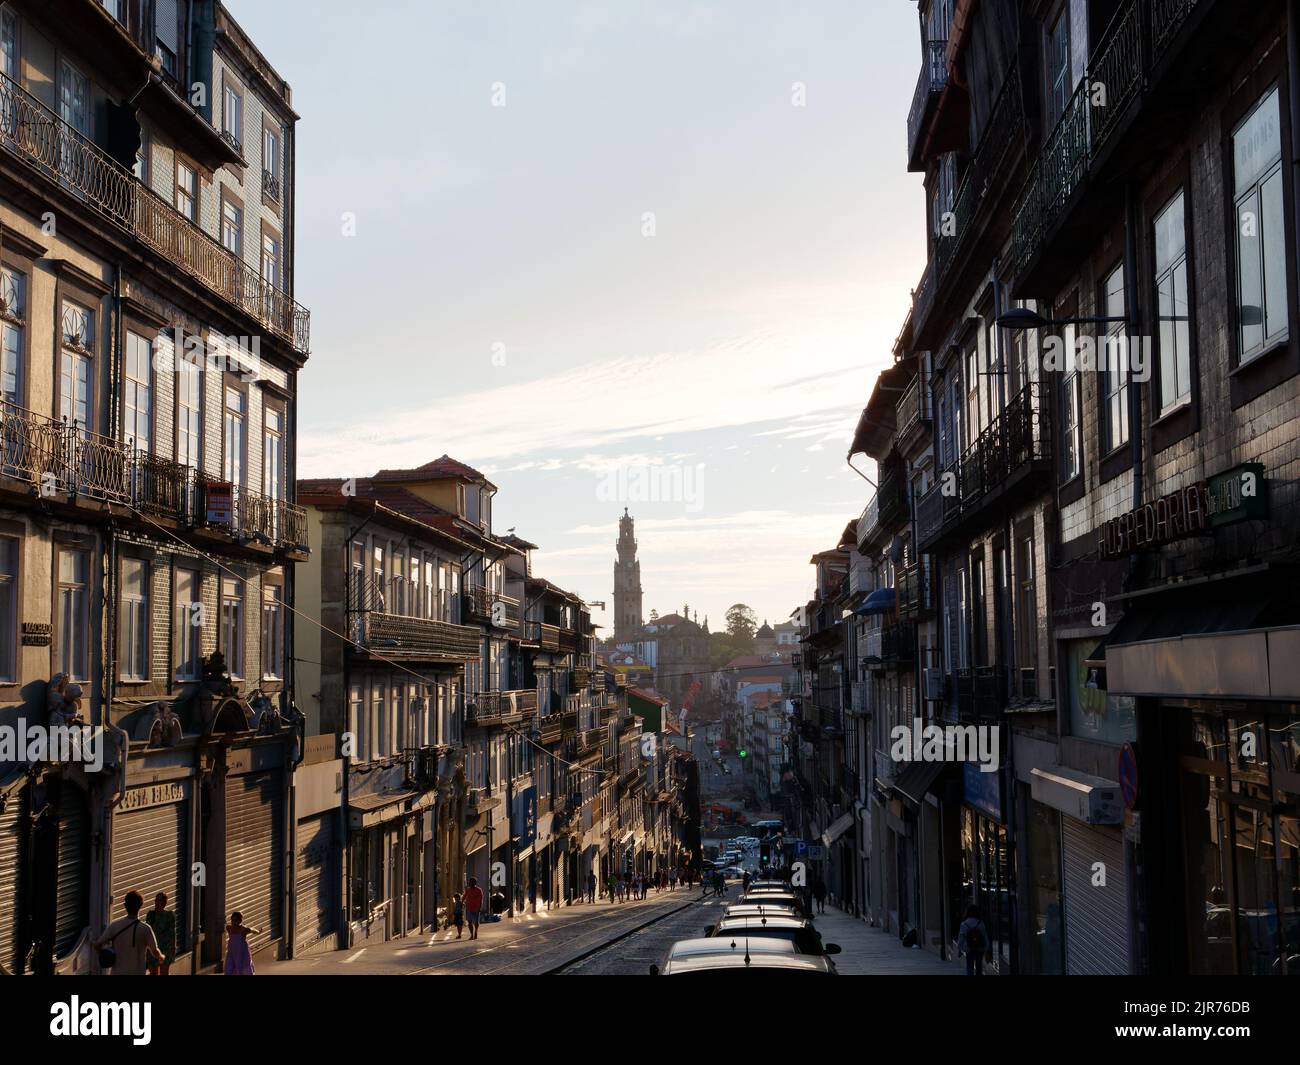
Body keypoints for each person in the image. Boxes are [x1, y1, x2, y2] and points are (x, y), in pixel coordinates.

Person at [94, 890, 162, 976]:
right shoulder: (145, 929)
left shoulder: (114, 926)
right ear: (141, 906)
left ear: (125, 906)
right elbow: (155, 951)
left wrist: (106, 955)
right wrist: (161, 957)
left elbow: (97, 945)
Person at [145, 892, 176, 975]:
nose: (157, 902)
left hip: (166, 948)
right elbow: (147, 932)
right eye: (156, 900)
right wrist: (147, 950)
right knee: (153, 973)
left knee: (164, 972)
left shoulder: (169, 915)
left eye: (160, 900)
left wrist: (173, 948)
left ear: (165, 902)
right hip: (153, 948)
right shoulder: (151, 915)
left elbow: (172, 933)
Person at [958, 904, 990, 976]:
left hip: (969, 948)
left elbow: (961, 938)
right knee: (979, 967)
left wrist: (960, 949)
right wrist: (987, 949)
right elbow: (985, 937)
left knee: (969, 967)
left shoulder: (964, 924)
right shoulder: (980, 923)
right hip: (979, 947)